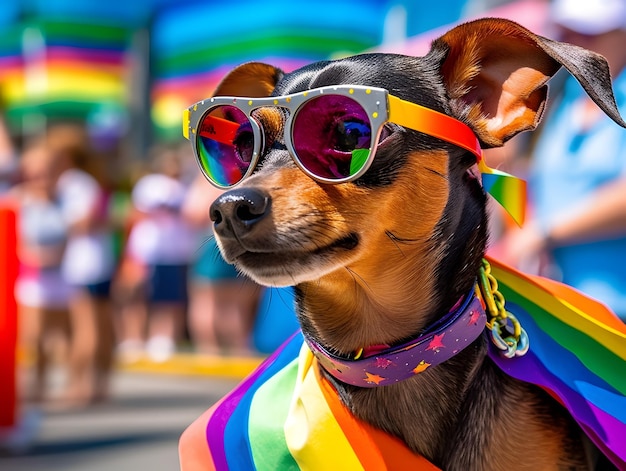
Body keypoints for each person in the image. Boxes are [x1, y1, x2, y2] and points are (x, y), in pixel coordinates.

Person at [497, 0, 626, 321]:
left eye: (589, 36)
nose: (576, 48)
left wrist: (544, 233)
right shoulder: (561, 100)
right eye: (566, 35)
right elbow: (522, 177)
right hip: (560, 311)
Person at [47, 124, 117, 405]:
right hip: (99, 259)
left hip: (82, 264)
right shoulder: (91, 179)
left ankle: (79, 386)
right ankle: (98, 385)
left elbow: (83, 221)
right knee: (100, 327)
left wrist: (56, 224)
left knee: (84, 329)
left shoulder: (73, 182)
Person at [117, 146, 197, 362]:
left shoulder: (186, 187)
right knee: (137, 297)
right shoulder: (148, 185)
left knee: (170, 299)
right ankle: (133, 338)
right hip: (146, 252)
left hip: (175, 254)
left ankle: (165, 338)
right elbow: (136, 214)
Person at [9, 140, 74, 404]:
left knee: (59, 337)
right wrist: (30, 256)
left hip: (63, 277)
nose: (40, 177)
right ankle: (29, 388)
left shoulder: (64, 199)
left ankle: (49, 385)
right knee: (33, 338)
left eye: (46, 170)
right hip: (31, 279)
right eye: (35, 171)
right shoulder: (17, 200)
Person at [182, 173, 261, 356]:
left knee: (208, 300)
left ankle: (210, 350)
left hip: (213, 243)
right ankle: (235, 349)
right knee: (231, 303)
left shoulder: (211, 179)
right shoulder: (240, 175)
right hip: (232, 242)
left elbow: (194, 214)